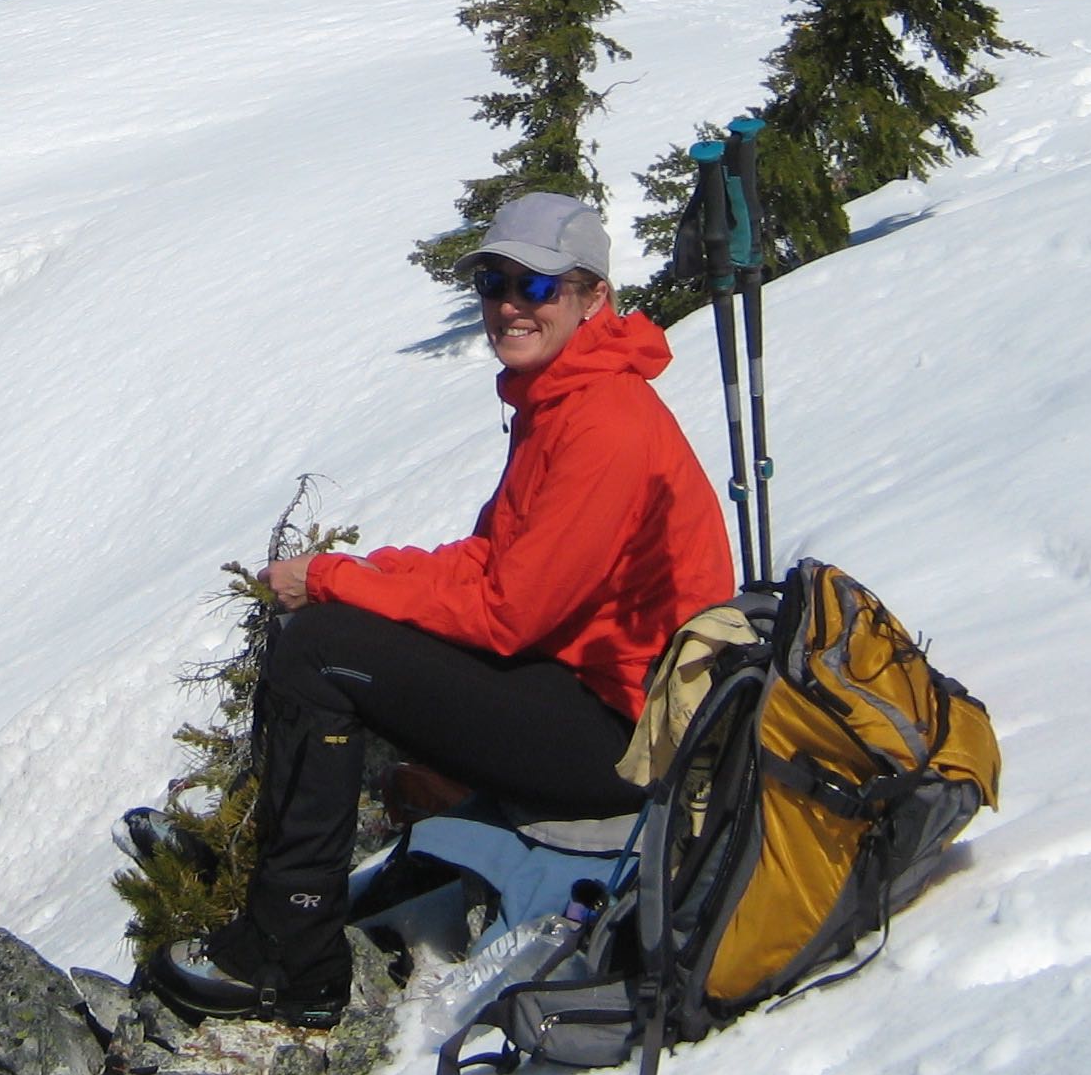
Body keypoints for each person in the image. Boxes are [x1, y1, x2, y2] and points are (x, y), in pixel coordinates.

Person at [143, 191, 736, 1024]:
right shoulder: (564, 398)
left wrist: (334, 586)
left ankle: (289, 954)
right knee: (342, 634)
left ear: (592, 296)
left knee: (319, 653)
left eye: (537, 287)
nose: (508, 305)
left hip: (630, 743)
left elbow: (507, 614)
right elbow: (492, 561)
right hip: (604, 704)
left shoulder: (602, 422)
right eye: (494, 282)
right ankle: (302, 925)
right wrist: (355, 572)